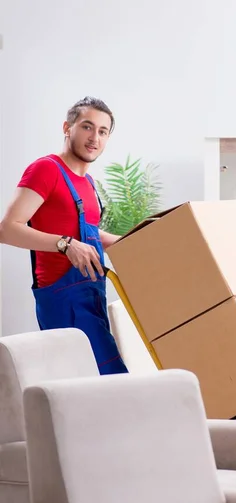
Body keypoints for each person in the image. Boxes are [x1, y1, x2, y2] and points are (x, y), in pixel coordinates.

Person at [0, 96, 128, 375]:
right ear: (67, 127)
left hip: (92, 298)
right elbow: (7, 229)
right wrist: (65, 244)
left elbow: (89, 234)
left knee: (108, 387)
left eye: (103, 131)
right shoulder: (46, 169)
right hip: (63, 303)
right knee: (102, 389)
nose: (94, 137)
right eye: (87, 126)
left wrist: (131, 243)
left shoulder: (89, 183)